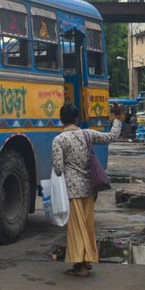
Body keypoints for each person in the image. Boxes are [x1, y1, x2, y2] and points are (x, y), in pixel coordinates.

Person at [51, 101, 122, 277]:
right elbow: (111, 137)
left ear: (61, 120)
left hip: (72, 190)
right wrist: (117, 118)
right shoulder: (87, 135)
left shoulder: (59, 140)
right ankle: (87, 260)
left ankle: (80, 266)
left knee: (76, 228)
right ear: (77, 118)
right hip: (90, 188)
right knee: (87, 226)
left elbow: (58, 168)